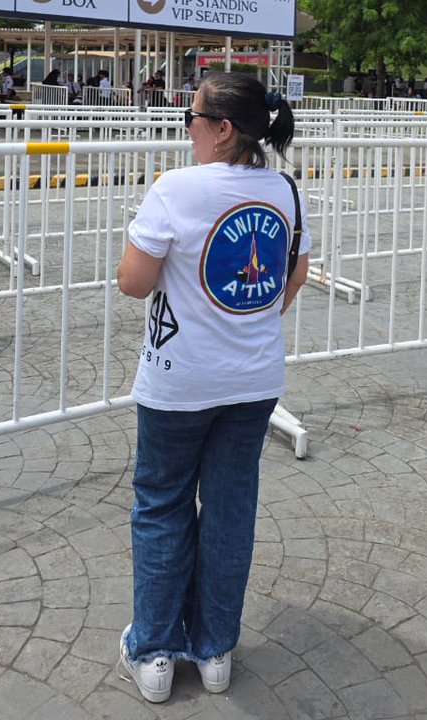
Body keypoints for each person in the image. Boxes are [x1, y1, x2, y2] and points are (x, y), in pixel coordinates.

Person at [116, 72, 310, 703]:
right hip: (253, 381)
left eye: (193, 118)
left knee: (162, 505)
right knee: (230, 510)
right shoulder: (284, 189)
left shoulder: (177, 188)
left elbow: (133, 282)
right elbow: (293, 274)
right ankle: (215, 648)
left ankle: (154, 652)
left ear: (223, 130)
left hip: (179, 381)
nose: (189, 128)